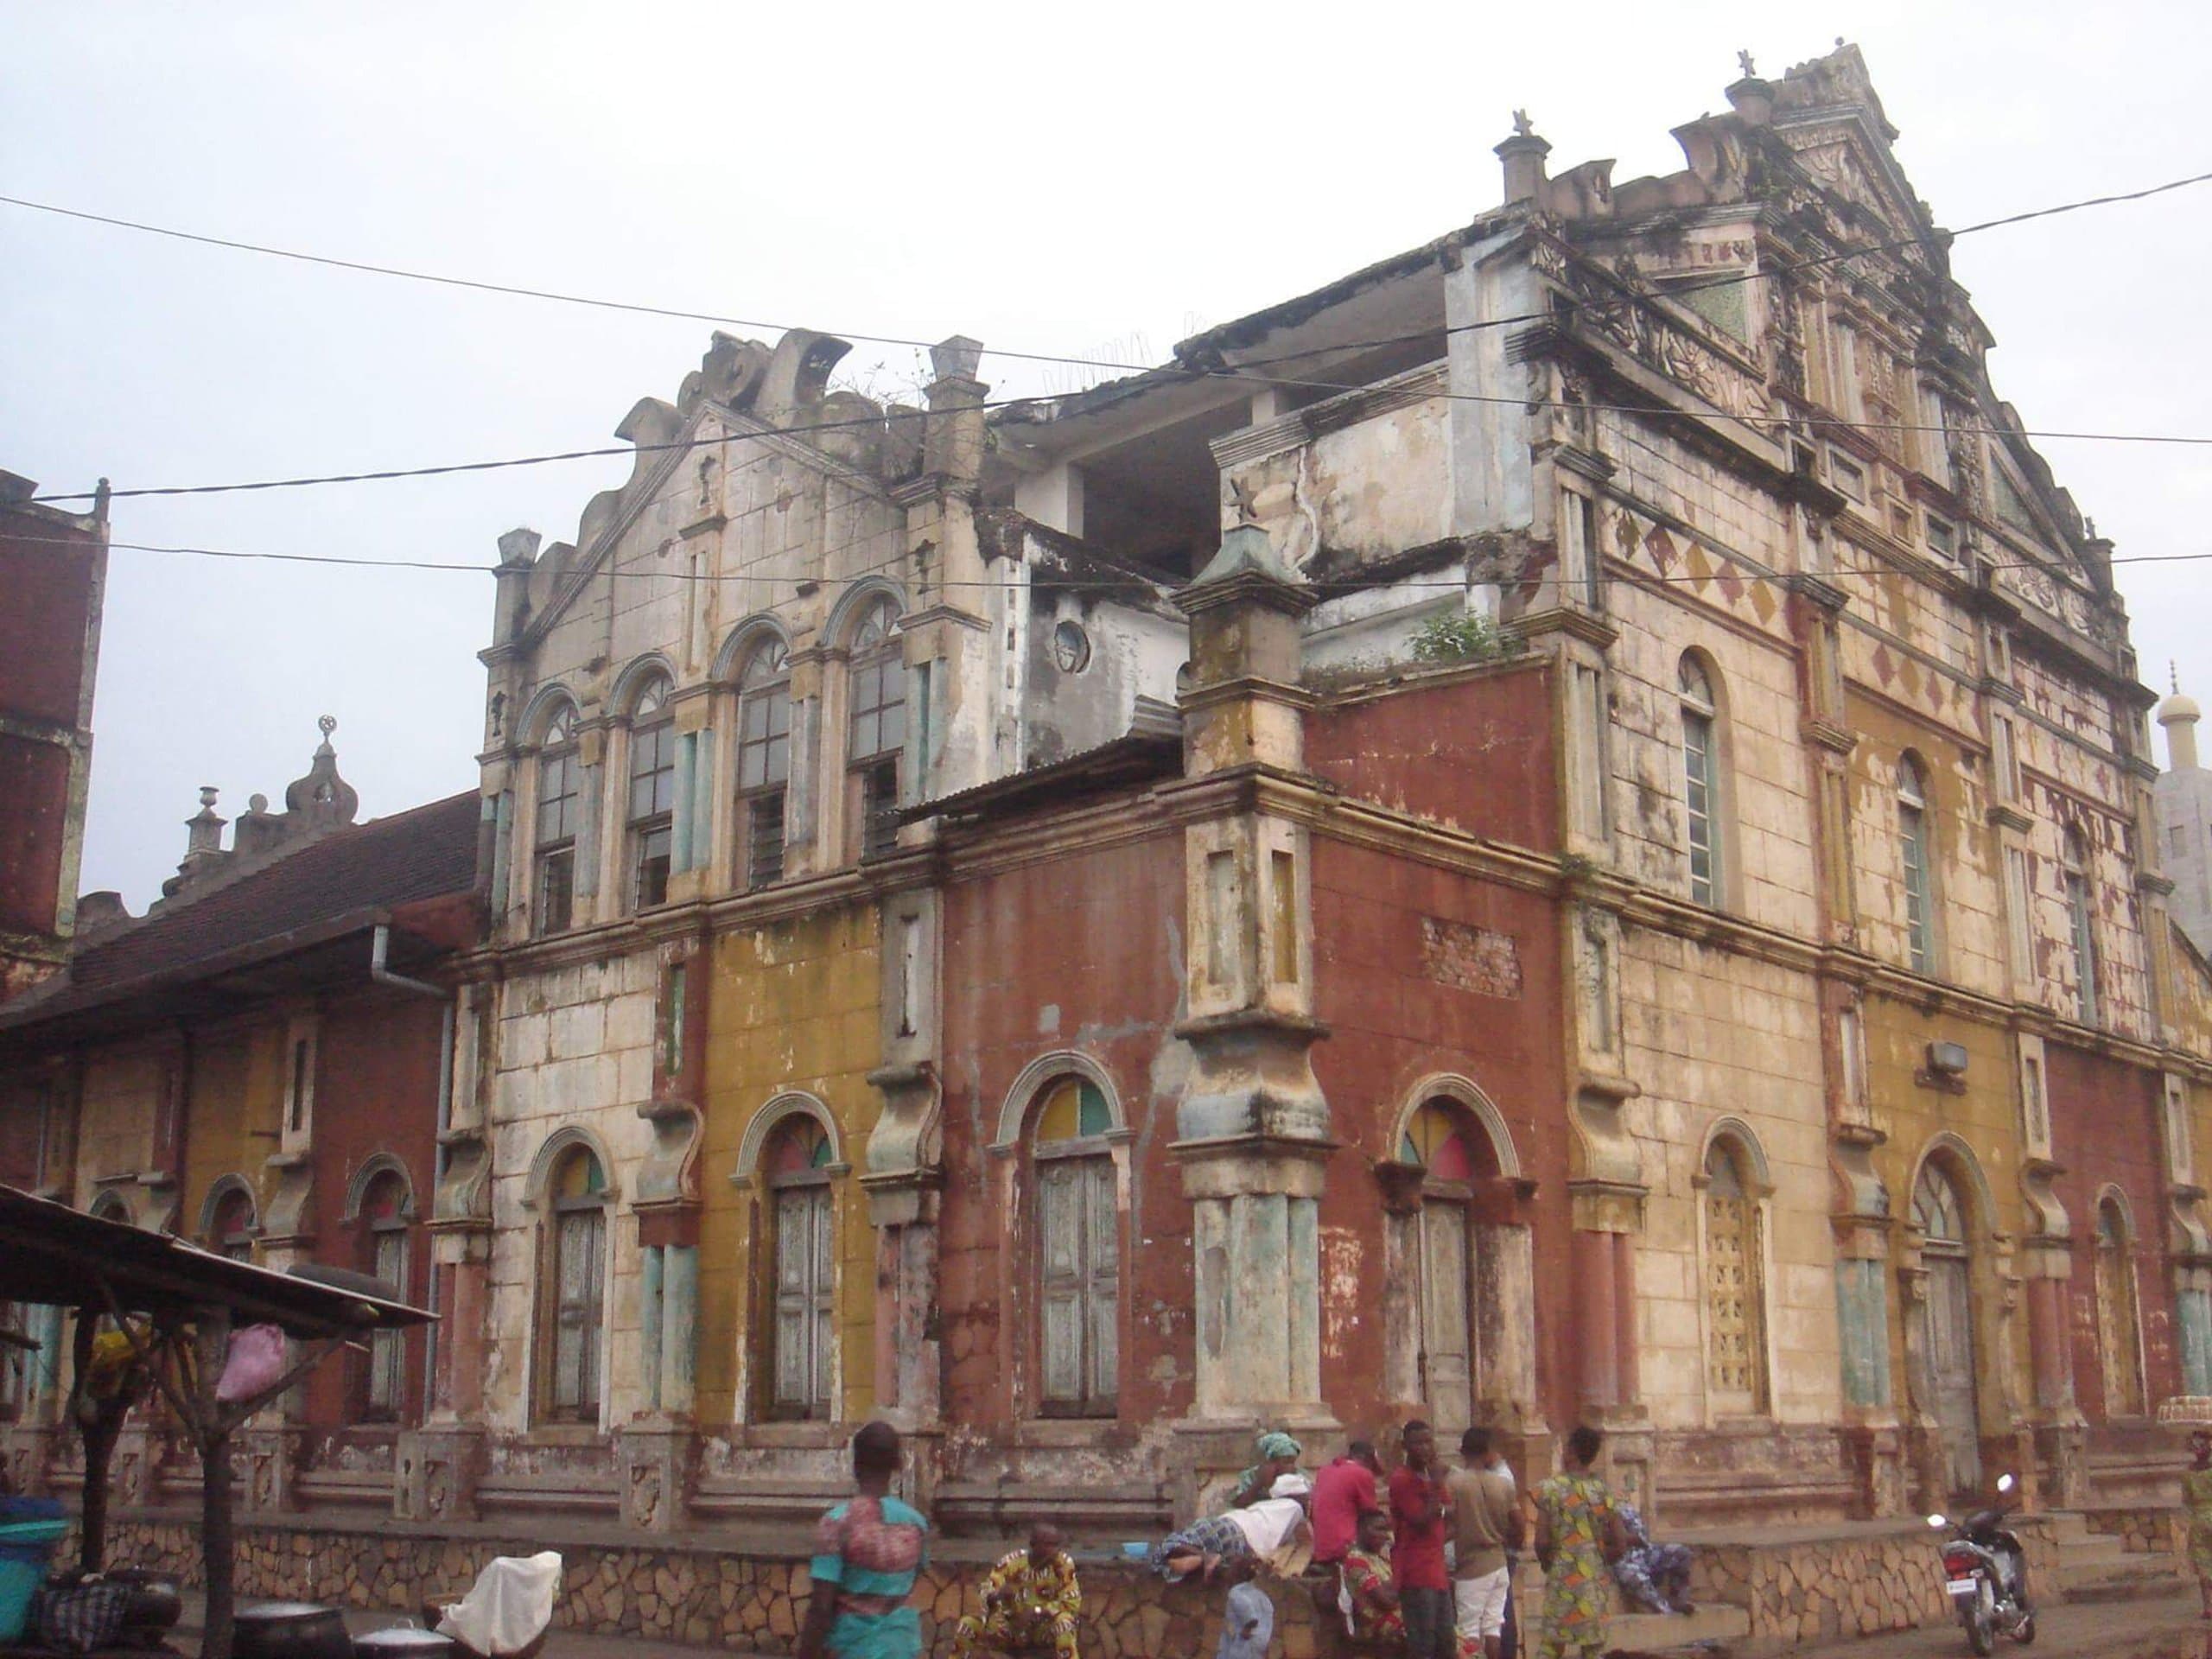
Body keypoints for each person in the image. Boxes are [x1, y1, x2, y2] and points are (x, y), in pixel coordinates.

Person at [797, 1421, 930, 1659]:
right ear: (897, 1465)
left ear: (855, 1465)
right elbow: (909, 1583)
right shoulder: (916, 1525)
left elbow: (821, 1607)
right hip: (902, 1646)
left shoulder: (836, 1525)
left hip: (851, 1647)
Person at [1531, 1426, 1628, 1659]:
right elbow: (1621, 1543)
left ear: (1572, 1451)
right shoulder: (1602, 1490)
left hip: (1561, 1578)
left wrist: (1548, 1564)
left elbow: (1542, 1541)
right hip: (1593, 1580)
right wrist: (1600, 1561)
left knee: (1551, 1646)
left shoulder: (1550, 1489)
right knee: (1593, 1648)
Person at [950, 1522, 1082, 1659]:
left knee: (1064, 1623)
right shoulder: (1011, 1563)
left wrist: (1039, 1611)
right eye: (1049, 1545)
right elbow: (988, 1591)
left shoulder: (1063, 1564)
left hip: (1043, 1630)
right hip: (1010, 1628)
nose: (1054, 1551)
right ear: (1033, 1544)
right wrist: (997, 1595)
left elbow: (1072, 1603)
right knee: (967, 1625)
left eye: (1056, 1545)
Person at [1448, 1427, 1523, 1659]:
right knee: (1493, 1628)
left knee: (1467, 1630)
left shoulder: (1454, 1483)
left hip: (1471, 1566)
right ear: (1488, 1451)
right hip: (1498, 1561)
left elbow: (1448, 1523)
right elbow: (1519, 1526)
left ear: (1463, 1451)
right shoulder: (1503, 1484)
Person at [1389, 1420, 1455, 1659]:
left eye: (1428, 1442)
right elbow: (1419, 1520)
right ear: (1405, 1446)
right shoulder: (1402, 1479)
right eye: (1418, 1443)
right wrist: (1437, 1486)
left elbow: (1451, 1512)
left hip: (1436, 1570)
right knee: (1423, 1643)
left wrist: (1438, 1535)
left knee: (1446, 1642)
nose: (1425, 1448)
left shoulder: (1428, 1479)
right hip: (1415, 1573)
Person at [1611, 1500, 1694, 1616]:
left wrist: (1627, 1537)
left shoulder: (1624, 1508)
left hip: (1646, 1554)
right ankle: (1664, 1608)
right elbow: (1620, 1547)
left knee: (1682, 1553)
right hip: (1624, 1562)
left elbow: (1642, 1539)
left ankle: (1678, 1600)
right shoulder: (1601, 1518)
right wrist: (1626, 1538)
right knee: (1634, 1577)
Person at [1338, 1508, 1407, 1645]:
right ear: (1361, 1530)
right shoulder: (1356, 1561)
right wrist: (1401, 1587)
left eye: (1386, 1530)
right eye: (1379, 1529)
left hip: (1398, 1614)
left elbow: (1399, 1587)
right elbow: (1386, 1602)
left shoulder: (1380, 1557)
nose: (1386, 1535)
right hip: (1377, 1625)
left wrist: (1394, 1587)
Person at [1311, 1438, 1383, 1566]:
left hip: (1321, 1548)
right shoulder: (1362, 1473)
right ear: (1367, 1459)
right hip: (1345, 1547)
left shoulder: (1324, 1471)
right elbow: (1372, 1517)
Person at [1233, 1431, 1304, 1509]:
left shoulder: (1300, 1476)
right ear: (1271, 1462)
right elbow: (1238, 1505)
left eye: (1293, 1462)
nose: (1291, 1467)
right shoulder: (1250, 1477)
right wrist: (1259, 1483)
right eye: (1286, 1462)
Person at [1216, 1568, 1275, 1659]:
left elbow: (1251, 1617)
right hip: (1258, 1646)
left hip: (1241, 1648)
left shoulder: (1235, 1593)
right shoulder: (1263, 1596)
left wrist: (1246, 1629)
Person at [2186, 1427, 2212, 1621]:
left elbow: (2186, 1501)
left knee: (2203, 1565)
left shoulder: (2188, 1474)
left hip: (2198, 1521)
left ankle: (2208, 1607)